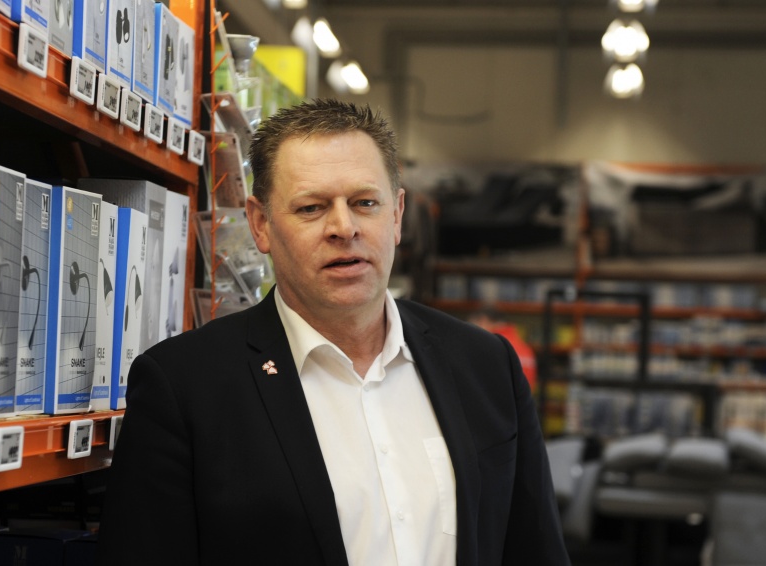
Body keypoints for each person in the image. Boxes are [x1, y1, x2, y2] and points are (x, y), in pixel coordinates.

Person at [97, 99, 569, 566]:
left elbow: (535, 548)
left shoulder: (487, 365)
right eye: (311, 208)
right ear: (260, 225)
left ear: (397, 213)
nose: (344, 228)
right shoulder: (183, 387)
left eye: (365, 203)